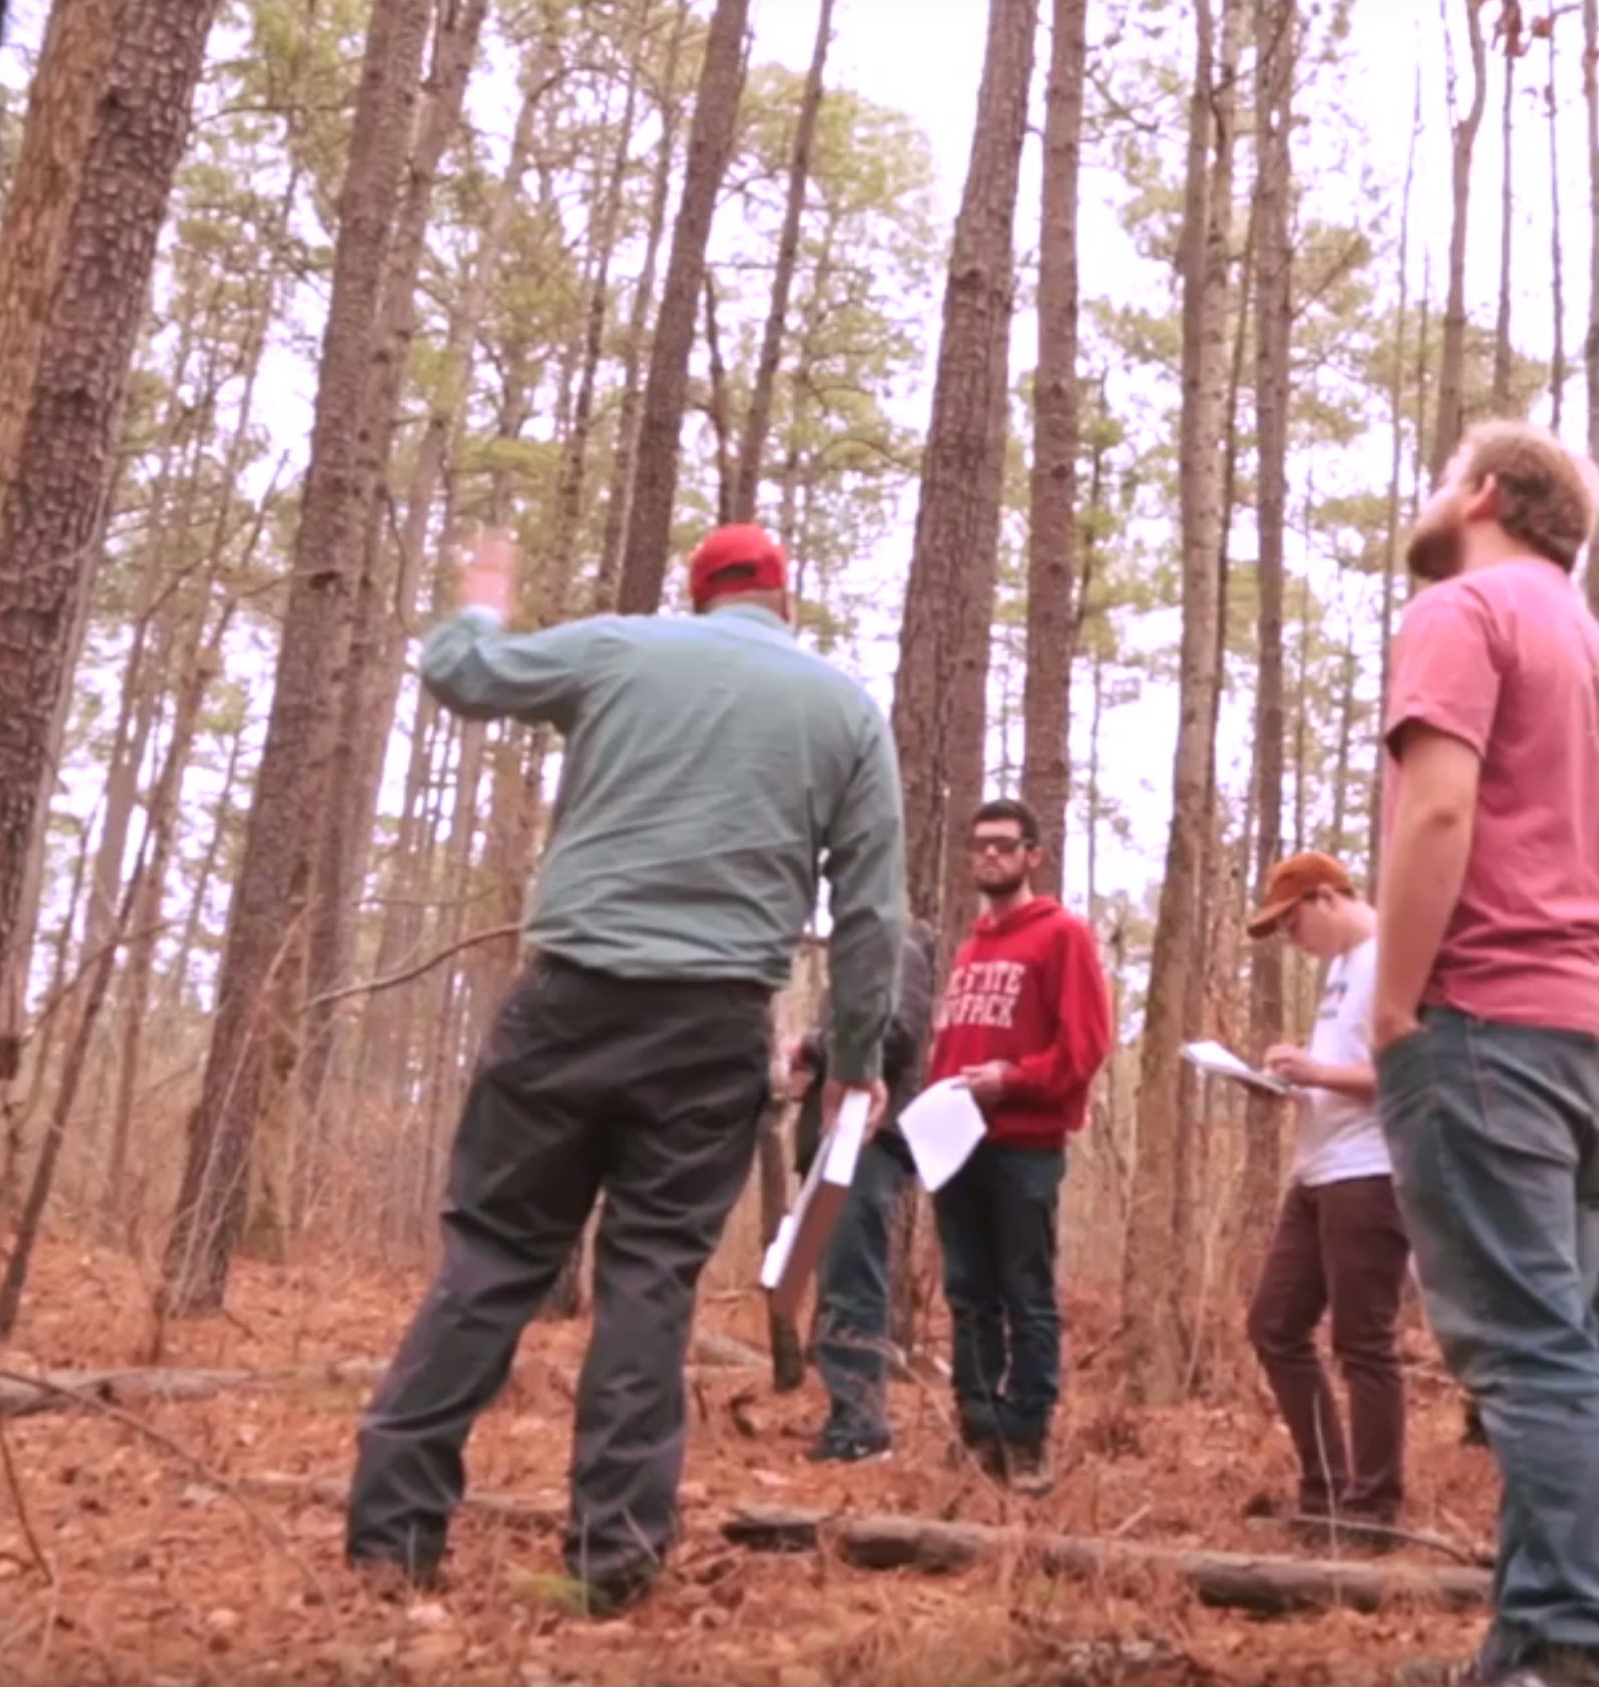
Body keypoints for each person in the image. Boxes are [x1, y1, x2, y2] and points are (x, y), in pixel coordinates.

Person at [346, 523, 904, 1615]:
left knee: (494, 1257)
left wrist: (485, 597)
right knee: (649, 1283)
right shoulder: (842, 709)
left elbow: (460, 674)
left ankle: (390, 1540)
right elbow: (874, 913)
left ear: (698, 595)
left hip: (569, 1001)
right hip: (711, 1029)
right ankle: (615, 1558)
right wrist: (854, 1060)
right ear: (783, 599)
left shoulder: (619, 649)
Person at [1377, 417, 1599, 1687]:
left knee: (1528, 1348)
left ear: (1483, 494)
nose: (1428, 500)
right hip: (1587, 1034)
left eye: (1442, 476)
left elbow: (1437, 808)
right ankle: (1528, 1645)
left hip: (1487, 1020)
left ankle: (1577, 1645)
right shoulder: (1595, 653)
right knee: (1560, 1339)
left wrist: (1392, 998)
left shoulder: (1463, 608)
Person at [926, 797, 1114, 1495]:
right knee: (968, 1292)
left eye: (1005, 844)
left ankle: (1027, 1433)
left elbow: (1086, 1044)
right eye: (980, 845)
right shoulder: (972, 946)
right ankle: (978, 1430)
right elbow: (952, 1044)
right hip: (956, 1141)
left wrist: (1013, 1080)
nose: (991, 856)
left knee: (1025, 1290)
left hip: (1024, 1142)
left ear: (1033, 854)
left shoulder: (1061, 935)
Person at [1243, 853, 1410, 1540]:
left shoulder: (1390, 957)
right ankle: (1324, 1490)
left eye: (1291, 923)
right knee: (1274, 1324)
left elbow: (1405, 1074)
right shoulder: (1340, 970)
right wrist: (1293, 1082)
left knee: (1363, 1341)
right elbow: (1341, 1072)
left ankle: (1373, 1509)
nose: (1292, 940)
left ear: (1324, 898)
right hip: (1316, 1170)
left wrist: (1316, 1069)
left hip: (1370, 1172)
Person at [787, 918, 941, 1464]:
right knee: (838, 1278)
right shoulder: (859, 952)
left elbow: (894, 1033)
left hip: (869, 1138)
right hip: (842, 1138)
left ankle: (862, 1430)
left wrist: (811, 1046)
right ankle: (846, 1417)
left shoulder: (897, 944)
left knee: (855, 1277)